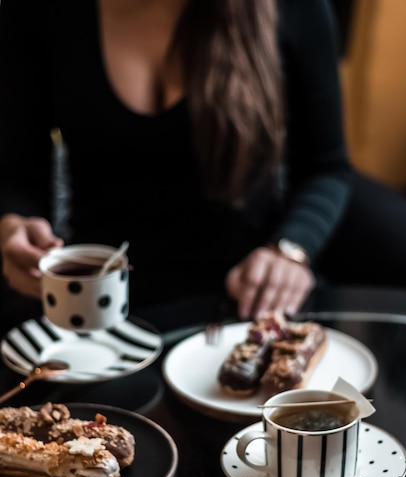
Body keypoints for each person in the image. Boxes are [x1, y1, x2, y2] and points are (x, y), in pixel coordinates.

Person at [0, 0, 364, 333]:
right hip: (100, 305)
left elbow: (326, 169)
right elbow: (18, 174)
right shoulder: (38, 10)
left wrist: (290, 250)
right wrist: (13, 225)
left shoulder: (295, 8)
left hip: (246, 300)